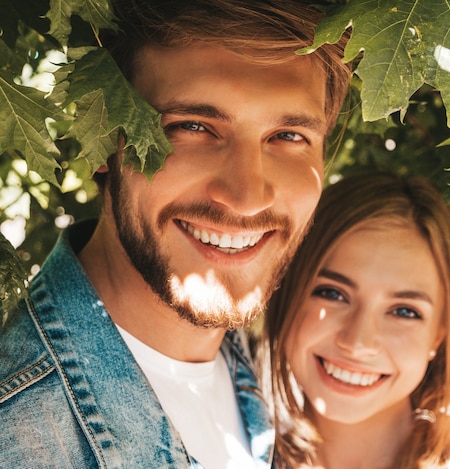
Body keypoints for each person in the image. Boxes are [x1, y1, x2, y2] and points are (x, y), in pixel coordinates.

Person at [0, 1, 352, 467]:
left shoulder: (271, 376)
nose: (247, 197)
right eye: (193, 127)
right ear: (103, 135)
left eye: (288, 136)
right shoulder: (19, 437)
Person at [264, 172, 450, 468]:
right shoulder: (234, 455)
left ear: (439, 335)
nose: (358, 343)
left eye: (404, 311)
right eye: (332, 293)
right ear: (288, 293)